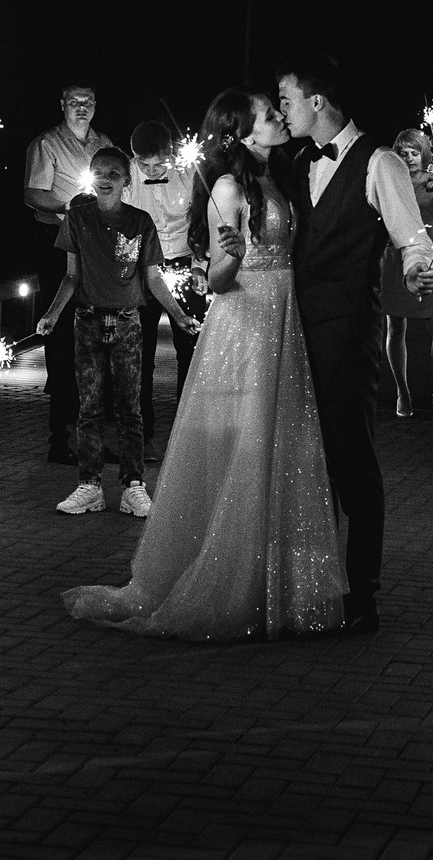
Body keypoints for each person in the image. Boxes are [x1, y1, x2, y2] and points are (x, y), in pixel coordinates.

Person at [61, 90, 343, 639]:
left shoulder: (273, 179)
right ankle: (232, 582)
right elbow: (216, 278)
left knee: (281, 446)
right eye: (267, 115)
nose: (278, 118)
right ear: (240, 132)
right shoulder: (228, 187)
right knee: (250, 446)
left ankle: (274, 579)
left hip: (283, 317)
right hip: (250, 322)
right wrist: (232, 254)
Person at [275, 55, 433, 636]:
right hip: (296, 331)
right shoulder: (296, 162)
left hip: (347, 330)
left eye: (288, 99)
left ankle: (362, 592)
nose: (281, 110)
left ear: (317, 101)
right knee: (308, 461)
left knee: (352, 459)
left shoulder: (380, 161)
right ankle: (315, 585)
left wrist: (419, 269)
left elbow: (411, 237)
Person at [36, 148, 201, 516]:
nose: (106, 178)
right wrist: (51, 315)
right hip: (88, 322)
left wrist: (179, 314)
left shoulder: (141, 223)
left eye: (114, 172)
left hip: (128, 322)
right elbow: (71, 275)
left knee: (130, 410)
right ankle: (89, 485)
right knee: (89, 408)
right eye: (99, 172)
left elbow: (153, 278)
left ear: (127, 180)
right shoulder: (77, 218)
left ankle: (133, 486)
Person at [24, 83, 108, 463]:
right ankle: (61, 437)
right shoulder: (46, 144)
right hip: (56, 243)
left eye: (88, 102)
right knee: (62, 339)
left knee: (98, 337)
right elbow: (33, 195)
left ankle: (93, 433)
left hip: (97, 247)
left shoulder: (104, 144)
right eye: (74, 102)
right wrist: (69, 205)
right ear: (62, 105)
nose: (81, 108)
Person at [125, 119, 201, 452]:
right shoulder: (125, 176)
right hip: (143, 270)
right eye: (145, 164)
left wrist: (200, 265)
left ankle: (189, 425)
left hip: (187, 264)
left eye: (159, 163)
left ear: (171, 152)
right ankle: (141, 427)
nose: (153, 170)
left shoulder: (191, 171)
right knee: (140, 352)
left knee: (191, 347)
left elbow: (202, 222)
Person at [380, 127, 433, 419]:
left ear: (425, 153)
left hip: (429, 256)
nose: (409, 157)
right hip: (395, 257)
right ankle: (402, 392)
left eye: (414, 152)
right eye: (403, 152)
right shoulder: (390, 182)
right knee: (396, 327)